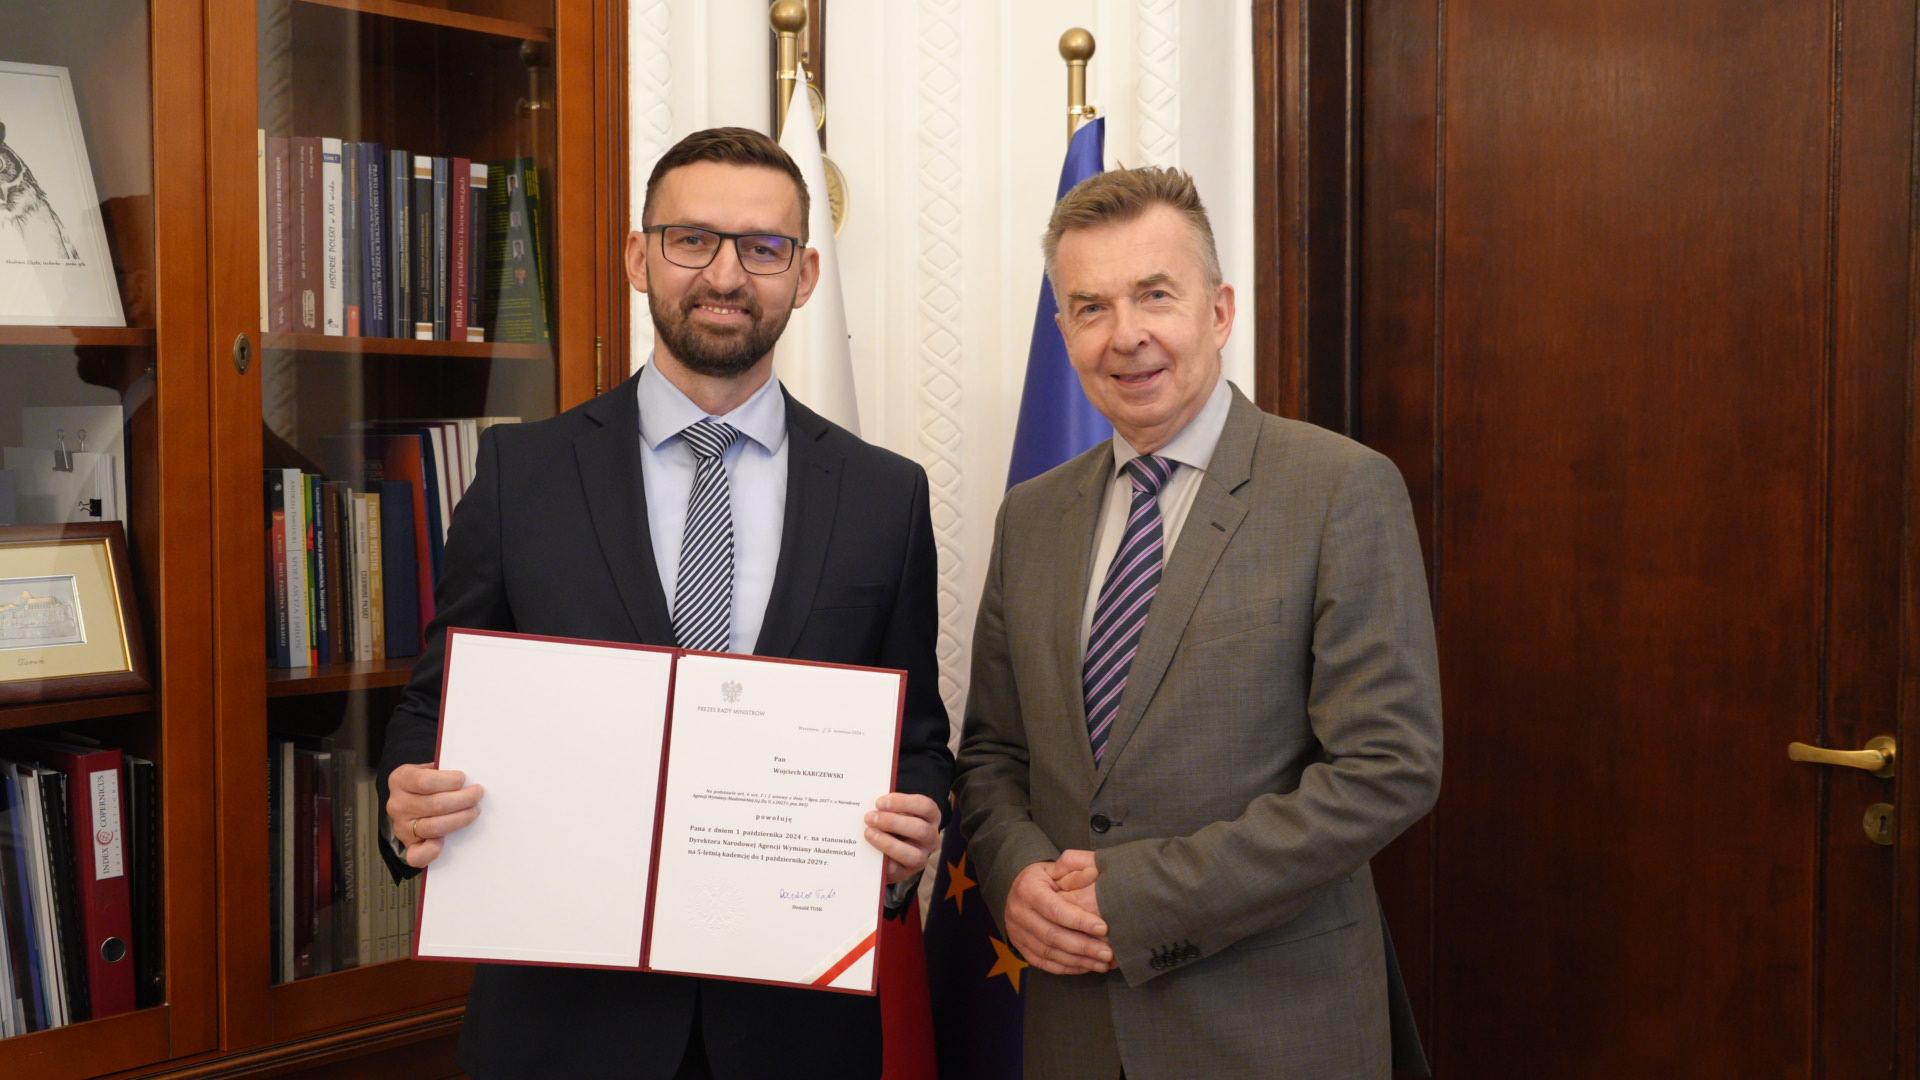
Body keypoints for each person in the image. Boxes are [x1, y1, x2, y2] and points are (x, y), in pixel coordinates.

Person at [378, 127, 953, 1080]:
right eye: (692, 240)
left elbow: (918, 739)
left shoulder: (884, 496)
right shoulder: (524, 474)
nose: (725, 274)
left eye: (762, 248)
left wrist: (914, 826)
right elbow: (431, 708)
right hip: (562, 1028)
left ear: (804, 275)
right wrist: (408, 796)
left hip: (794, 1032)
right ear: (639, 258)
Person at [953, 166, 1442, 1080]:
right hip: (1075, 1028)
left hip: (1271, 1029)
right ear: (1064, 334)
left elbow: (1388, 767)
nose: (1125, 335)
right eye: (1091, 308)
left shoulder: (1339, 488)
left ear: (1218, 312)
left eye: (1155, 295)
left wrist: (1141, 896)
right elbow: (992, 753)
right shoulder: (1033, 516)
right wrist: (1017, 877)